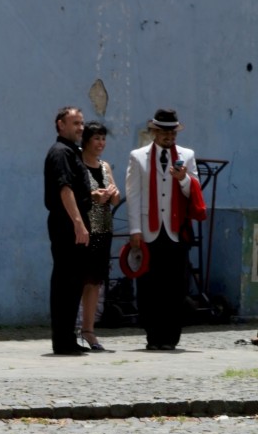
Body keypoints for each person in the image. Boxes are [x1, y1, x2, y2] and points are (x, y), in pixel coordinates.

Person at [126, 108, 203, 350]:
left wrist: (183, 179)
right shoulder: (138, 157)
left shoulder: (186, 155)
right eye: (164, 132)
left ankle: (170, 337)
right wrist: (135, 230)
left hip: (175, 229)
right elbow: (133, 194)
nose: (169, 136)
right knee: (149, 286)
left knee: (174, 286)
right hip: (148, 230)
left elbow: (194, 191)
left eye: (173, 132)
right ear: (154, 132)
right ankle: (153, 335)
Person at [44, 106, 92, 354]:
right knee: (66, 281)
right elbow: (65, 189)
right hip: (66, 224)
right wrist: (78, 222)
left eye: (82, 123)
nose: (80, 128)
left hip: (73, 220)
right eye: (75, 123)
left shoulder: (73, 151)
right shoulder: (60, 152)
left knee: (74, 281)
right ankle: (62, 339)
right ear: (61, 125)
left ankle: (67, 337)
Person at [79, 121, 120, 351]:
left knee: (96, 281)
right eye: (97, 138)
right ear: (86, 140)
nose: (101, 143)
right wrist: (93, 195)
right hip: (85, 228)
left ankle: (89, 330)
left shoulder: (105, 167)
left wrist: (113, 193)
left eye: (103, 139)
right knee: (80, 279)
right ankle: (75, 327)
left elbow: (115, 198)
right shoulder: (78, 165)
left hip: (104, 229)